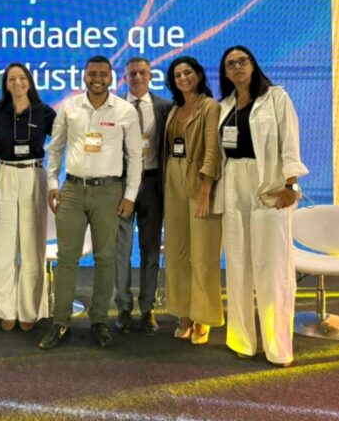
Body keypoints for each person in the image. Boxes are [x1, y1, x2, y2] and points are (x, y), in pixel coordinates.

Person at [39, 56, 142, 350]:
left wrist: (130, 195)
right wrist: (52, 183)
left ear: (111, 78)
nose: (97, 78)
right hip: (72, 190)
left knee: (106, 258)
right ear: (84, 76)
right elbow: (55, 149)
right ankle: (60, 322)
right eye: (92, 73)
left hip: (110, 192)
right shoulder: (70, 108)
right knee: (67, 258)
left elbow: (136, 155)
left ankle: (99, 321)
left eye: (103, 74)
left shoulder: (124, 111)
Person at [217, 45, 308, 367]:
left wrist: (291, 185)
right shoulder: (224, 106)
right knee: (238, 264)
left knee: (273, 268)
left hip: (268, 184)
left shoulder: (276, 98)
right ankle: (241, 340)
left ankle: (278, 347)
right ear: (225, 72)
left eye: (242, 61)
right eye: (231, 64)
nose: (237, 67)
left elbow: (290, 144)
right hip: (232, 183)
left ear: (253, 65)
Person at [0, 63, 56, 332]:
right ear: (5, 84)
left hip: (33, 175)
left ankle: (29, 309)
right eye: (11, 79)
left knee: (32, 248)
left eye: (22, 78)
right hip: (3, 174)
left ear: (29, 81)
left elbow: (63, 141)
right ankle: (6, 310)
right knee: (2, 249)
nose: (17, 82)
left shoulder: (44, 111)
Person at [162, 55, 223, 345]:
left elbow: (213, 149)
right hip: (172, 178)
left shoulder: (210, 106)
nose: (183, 78)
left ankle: (203, 317)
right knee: (176, 253)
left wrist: (205, 189)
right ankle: (184, 313)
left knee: (203, 255)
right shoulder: (174, 109)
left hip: (199, 179)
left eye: (188, 72)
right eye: (178, 75)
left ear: (198, 75)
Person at [114, 57, 172, 335]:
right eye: (132, 74)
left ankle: (148, 308)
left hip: (151, 185)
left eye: (142, 73)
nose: (137, 77)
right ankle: (124, 308)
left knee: (150, 249)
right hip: (122, 185)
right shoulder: (114, 107)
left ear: (150, 76)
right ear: (125, 78)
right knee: (121, 250)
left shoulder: (165, 107)